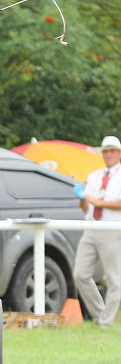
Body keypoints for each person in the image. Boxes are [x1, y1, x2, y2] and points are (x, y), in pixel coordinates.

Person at [73, 135, 121, 327]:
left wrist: (98, 202)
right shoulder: (94, 176)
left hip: (111, 229)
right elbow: (86, 208)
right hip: (91, 228)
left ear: (118, 154)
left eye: (112, 151)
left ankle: (106, 323)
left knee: (114, 278)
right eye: (106, 151)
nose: (109, 154)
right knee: (80, 274)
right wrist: (81, 196)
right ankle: (101, 316)